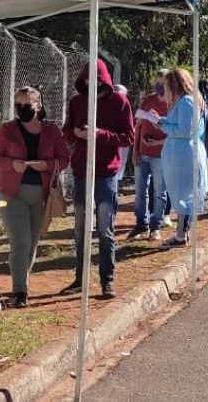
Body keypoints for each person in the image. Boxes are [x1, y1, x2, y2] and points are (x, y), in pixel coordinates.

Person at [0, 86, 70, 308]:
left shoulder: (51, 131)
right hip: (12, 194)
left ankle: (22, 284)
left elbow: (64, 159)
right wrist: (12, 164)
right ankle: (20, 291)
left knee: (33, 242)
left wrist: (47, 165)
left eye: (27, 105)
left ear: (38, 105)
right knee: (20, 242)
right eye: (19, 105)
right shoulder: (7, 130)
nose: (22, 109)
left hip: (42, 195)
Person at [61, 59, 135, 299]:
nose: (90, 85)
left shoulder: (119, 102)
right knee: (81, 229)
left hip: (106, 174)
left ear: (104, 81)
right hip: (82, 172)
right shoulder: (76, 101)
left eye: (95, 81)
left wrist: (99, 133)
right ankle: (80, 279)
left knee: (105, 229)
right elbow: (66, 133)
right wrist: (76, 133)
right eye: (85, 81)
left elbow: (128, 137)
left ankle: (107, 280)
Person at [152, 68, 208, 248]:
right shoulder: (183, 101)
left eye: (166, 85)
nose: (164, 89)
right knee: (180, 194)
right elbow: (180, 124)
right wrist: (164, 121)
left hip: (183, 154)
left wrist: (163, 126)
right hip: (178, 154)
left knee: (184, 195)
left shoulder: (187, 101)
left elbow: (185, 130)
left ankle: (181, 235)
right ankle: (181, 233)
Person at [128, 70, 170, 241]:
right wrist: (135, 150)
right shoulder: (148, 100)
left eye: (163, 83)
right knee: (140, 191)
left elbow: (175, 132)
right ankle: (141, 225)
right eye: (157, 82)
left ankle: (155, 226)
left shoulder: (174, 104)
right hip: (143, 153)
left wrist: (158, 122)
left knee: (159, 192)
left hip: (161, 155)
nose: (159, 86)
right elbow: (138, 125)